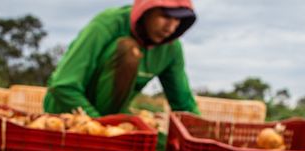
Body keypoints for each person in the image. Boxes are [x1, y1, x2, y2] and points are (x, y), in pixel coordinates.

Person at [44, 0, 200, 117]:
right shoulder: (108, 24)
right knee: (128, 50)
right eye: (166, 16)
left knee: (160, 140)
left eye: (178, 20)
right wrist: (99, 125)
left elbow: (183, 104)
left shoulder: (171, 48)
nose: (171, 28)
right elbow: (63, 85)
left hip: (111, 117)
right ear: (146, 10)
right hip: (66, 114)